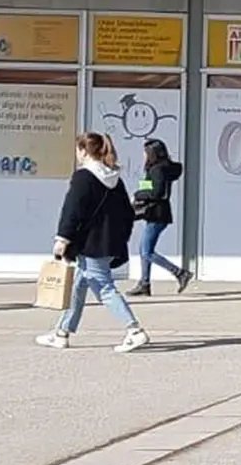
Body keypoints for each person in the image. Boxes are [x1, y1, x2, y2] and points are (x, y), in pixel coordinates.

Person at [36, 134, 150, 353]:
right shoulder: (115, 179)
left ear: (84, 151)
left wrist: (62, 239)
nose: (77, 155)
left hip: (90, 245)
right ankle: (62, 333)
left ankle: (134, 330)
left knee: (104, 287)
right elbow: (127, 213)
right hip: (108, 244)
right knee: (78, 286)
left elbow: (72, 210)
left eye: (78, 150)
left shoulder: (83, 177)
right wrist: (120, 238)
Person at [125, 138, 191, 296]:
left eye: (146, 152)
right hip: (157, 213)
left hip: (157, 213)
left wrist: (137, 194)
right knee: (144, 249)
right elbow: (149, 187)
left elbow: (157, 192)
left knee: (146, 251)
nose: (144, 155)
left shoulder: (158, 169)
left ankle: (180, 273)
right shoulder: (157, 168)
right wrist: (140, 195)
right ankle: (144, 283)